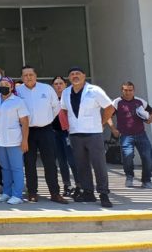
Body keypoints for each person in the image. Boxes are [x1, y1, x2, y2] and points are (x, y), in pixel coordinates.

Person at [61, 66, 115, 208]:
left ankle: (103, 194)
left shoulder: (95, 90)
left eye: (78, 73)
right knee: (82, 165)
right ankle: (88, 193)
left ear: (84, 76)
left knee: (99, 165)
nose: (75, 76)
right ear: (69, 78)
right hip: (75, 134)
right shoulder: (66, 92)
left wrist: (102, 123)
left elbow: (109, 107)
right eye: (72, 74)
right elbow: (64, 111)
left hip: (93, 133)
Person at [16, 65, 67, 204]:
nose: (28, 77)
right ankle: (32, 192)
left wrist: (47, 119)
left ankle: (55, 193)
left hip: (46, 130)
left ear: (36, 75)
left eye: (30, 74)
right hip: (27, 132)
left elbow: (56, 107)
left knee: (50, 162)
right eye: (25, 75)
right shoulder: (17, 91)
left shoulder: (46, 89)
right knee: (29, 163)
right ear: (21, 78)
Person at [0, 77, 30, 205]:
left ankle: (17, 195)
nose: (3, 86)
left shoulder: (18, 101)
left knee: (16, 168)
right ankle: (6, 193)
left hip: (14, 140)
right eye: (1, 84)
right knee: (4, 168)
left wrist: (25, 140)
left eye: (6, 84)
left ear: (12, 87)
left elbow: (25, 123)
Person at [108, 81, 152, 189]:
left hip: (141, 134)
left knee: (147, 157)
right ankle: (129, 177)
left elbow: (150, 112)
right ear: (122, 90)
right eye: (125, 90)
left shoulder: (140, 101)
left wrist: (149, 119)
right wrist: (113, 128)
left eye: (130, 90)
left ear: (133, 90)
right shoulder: (117, 102)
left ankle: (146, 180)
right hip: (125, 136)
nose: (128, 92)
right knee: (127, 157)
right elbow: (107, 116)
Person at [51, 76, 80, 197]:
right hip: (54, 133)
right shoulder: (50, 99)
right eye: (56, 84)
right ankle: (67, 185)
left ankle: (79, 185)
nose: (58, 85)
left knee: (72, 160)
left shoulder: (69, 97)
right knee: (61, 161)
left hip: (67, 133)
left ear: (65, 85)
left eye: (61, 83)